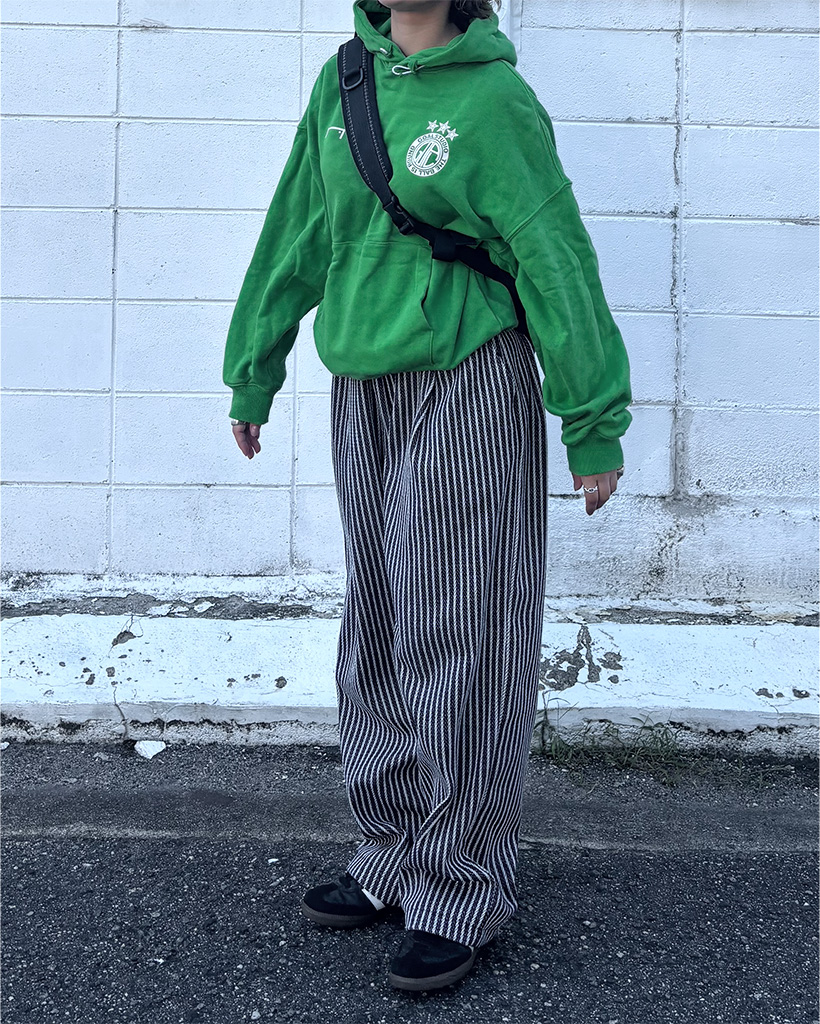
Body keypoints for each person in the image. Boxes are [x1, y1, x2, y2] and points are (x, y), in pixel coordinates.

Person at [222, 0, 633, 994]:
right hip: (363, 384)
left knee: (465, 629)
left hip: (469, 378)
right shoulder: (345, 83)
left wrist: (592, 418)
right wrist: (254, 365)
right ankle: (392, 850)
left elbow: (553, 254)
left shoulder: (495, 99)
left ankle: (460, 885)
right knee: (380, 623)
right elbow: (297, 228)